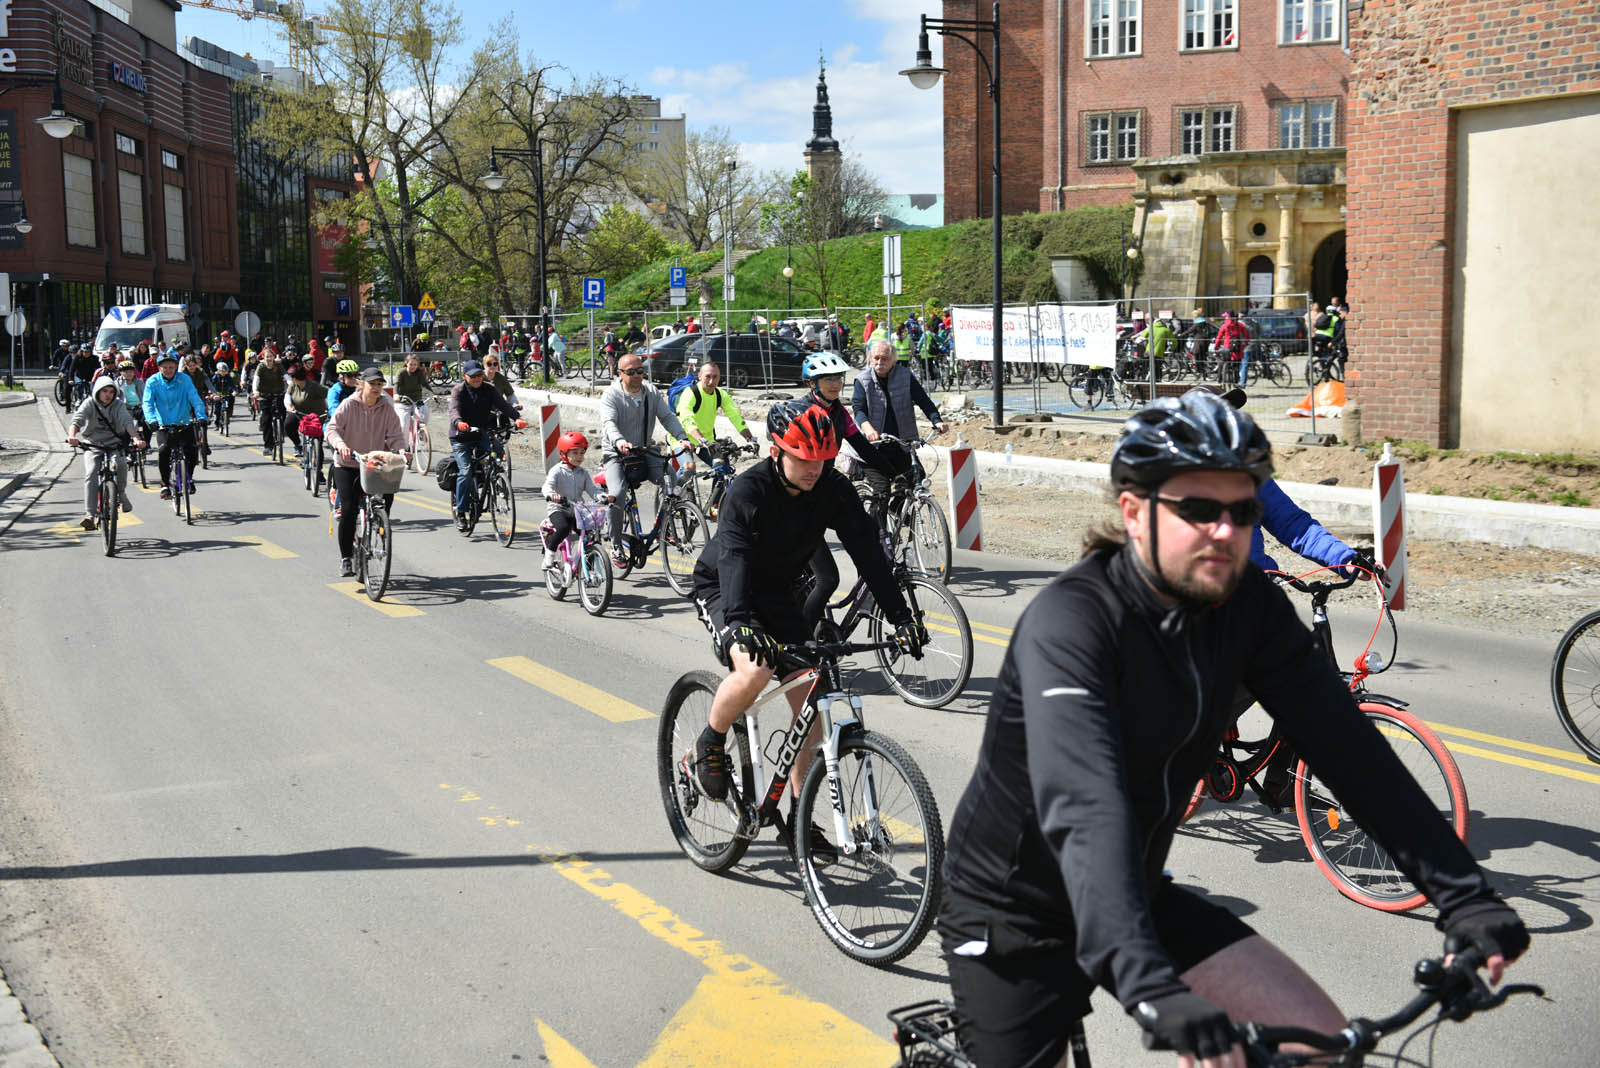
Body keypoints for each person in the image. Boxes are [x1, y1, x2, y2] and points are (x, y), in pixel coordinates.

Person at [936, 390, 1528, 1068]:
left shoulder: (1249, 606)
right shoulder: (1071, 625)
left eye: (1243, 510)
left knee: (1320, 1049)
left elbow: (1348, 748)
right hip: (1018, 914)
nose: (1225, 529)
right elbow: (1085, 807)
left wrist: (1464, 893)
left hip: (1135, 892)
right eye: (1198, 509)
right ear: (1134, 512)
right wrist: (1148, 982)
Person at [685, 399, 925, 860]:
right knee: (754, 670)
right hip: (725, 587)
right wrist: (739, 626)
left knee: (811, 701)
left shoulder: (832, 488)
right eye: (804, 459)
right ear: (777, 451)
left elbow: (870, 556)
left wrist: (902, 618)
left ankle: (798, 819)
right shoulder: (748, 490)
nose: (815, 468)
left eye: (823, 459)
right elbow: (733, 557)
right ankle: (710, 741)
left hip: (778, 591)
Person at [797, 351, 908, 628]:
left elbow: (864, 449)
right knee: (827, 580)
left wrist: (896, 474)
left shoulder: (839, 412)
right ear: (812, 383)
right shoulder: (799, 412)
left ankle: (894, 614)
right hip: (798, 500)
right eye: (827, 379)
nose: (836, 384)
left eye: (839, 378)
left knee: (868, 540)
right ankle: (798, 643)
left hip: (826, 488)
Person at [600, 353, 691, 564]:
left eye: (640, 371)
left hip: (643, 450)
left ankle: (666, 525)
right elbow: (609, 424)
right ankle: (614, 544)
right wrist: (620, 442)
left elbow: (667, 417)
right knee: (618, 493)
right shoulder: (611, 395)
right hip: (616, 453)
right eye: (631, 372)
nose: (637, 375)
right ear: (619, 373)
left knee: (670, 478)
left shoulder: (650, 391)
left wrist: (682, 437)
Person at [848, 338, 949, 524]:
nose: (880, 363)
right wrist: (867, 427)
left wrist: (937, 420)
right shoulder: (863, 380)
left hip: (901, 443)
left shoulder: (905, 376)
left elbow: (923, 400)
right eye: (876, 358)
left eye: (884, 358)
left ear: (893, 360)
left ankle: (897, 507)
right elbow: (859, 409)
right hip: (872, 448)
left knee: (916, 477)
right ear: (870, 358)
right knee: (882, 491)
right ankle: (874, 536)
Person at [325, 367, 409, 577]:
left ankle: (379, 525)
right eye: (373, 384)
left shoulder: (386, 407)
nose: (377, 388)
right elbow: (332, 429)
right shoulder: (349, 404)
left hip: (375, 462)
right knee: (349, 509)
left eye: (380, 385)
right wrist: (341, 445)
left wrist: (400, 450)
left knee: (386, 498)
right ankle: (346, 557)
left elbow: (396, 434)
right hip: (348, 463)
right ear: (362, 384)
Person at [447, 360, 525, 533]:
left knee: (498, 450)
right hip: (461, 437)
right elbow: (453, 410)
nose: (476, 379)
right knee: (466, 471)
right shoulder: (458, 391)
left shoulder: (489, 389)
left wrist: (516, 418)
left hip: (480, 432)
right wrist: (459, 422)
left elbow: (503, 405)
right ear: (464, 376)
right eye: (472, 376)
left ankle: (493, 478)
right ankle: (461, 511)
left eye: (479, 375)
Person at [68, 374, 145, 528]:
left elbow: (127, 421)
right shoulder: (90, 403)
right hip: (93, 443)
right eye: (105, 391)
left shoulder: (118, 404)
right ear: (97, 391)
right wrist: (72, 436)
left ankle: (121, 494)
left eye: (111, 391)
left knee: (121, 464)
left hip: (114, 442)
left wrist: (136, 438)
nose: (108, 395)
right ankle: (90, 515)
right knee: (91, 472)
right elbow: (77, 420)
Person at [142, 350, 208, 500]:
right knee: (164, 450)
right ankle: (165, 483)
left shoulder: (184, 380)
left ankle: (188, 478)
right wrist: (151, 420)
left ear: (175, 367)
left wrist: (201, 416)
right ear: (159, 368)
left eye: (171, 367)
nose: (168, 370)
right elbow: (147, 403)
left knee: (192, 451)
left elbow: (194, 398)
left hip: (183, 422)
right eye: (165, 367)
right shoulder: (153, 382)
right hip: (163, 424)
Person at [540, 431, 602, 571]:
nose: (580, 457)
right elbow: (547, 486)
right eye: (575, 453)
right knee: (563, 528)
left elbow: (592, 490)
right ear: (563, 454)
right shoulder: (556, 471)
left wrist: (602, 496)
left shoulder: (583, 473)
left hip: (577, 510)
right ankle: (549, 554)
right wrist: (551, 494)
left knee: (590, 534)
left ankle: (587, 568)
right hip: (558, 509)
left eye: (582, 452)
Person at [674, 360, 756, 462]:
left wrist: (750, 439)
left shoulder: (720, 394)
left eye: (715, 377)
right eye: (707, 376)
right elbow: (686, 419)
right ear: (699, 376)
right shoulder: (690, 393)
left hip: (708, 441)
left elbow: (735, 416)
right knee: (688, 470)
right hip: (683, 439)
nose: (711, 381)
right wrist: (702, 440)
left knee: (722, 468)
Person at [284, 359, 329, 461]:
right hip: (299, 413)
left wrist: (331, 410)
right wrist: (289, 406)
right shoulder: (293, 385)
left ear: (296, 377)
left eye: (291, 376)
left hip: (316, 417)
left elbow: (329, 395)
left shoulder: (314, 387)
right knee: (288, 425)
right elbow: (287, 396)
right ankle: (298, 445)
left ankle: (318, 471)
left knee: (318, 442)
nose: (290, 379)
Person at [252, 349, 288, 449]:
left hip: (278, 393)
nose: (269, 358)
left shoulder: (278, 365)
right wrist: (255, 391)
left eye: (270, 356)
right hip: (264, 395)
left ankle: (282, 430)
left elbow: (287, 377)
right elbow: (256, 379)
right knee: (266, 420)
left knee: (283, 411)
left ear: (273, 357)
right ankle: (268, 446)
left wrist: (292, 388)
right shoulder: (261, 366)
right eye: (266, 357)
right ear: (263, 357)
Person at [482, 353, 524, 432]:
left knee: (505, 426)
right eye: (489, 364)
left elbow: (510, 394)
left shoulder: (501, 378)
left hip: (499, 408)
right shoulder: (479, 377)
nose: (492, 366)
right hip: (483, 410)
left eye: (495, 364)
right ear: (484, 365)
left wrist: (515, 404)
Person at [395, 352, 429, 447]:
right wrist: (396, 395)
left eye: (415, 364)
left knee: (425, 412)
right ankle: (404, 447)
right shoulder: (401, 372)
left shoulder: (419, 372)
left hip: (416, 400)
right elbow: (396, 384)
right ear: (406, 363)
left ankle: (421, 431)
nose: (413, 367)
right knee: (403, 426)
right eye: (411, 364)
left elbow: (425, 384)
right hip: (403, 401)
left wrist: (434, 394)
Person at [1212, 310, 1251, 386]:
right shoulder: (1239, 325)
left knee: (1222, 362)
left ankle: (1220, 379)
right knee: (1236, 364)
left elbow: (1219, 337)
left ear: (1228, 317)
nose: (1225, 318)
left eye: (1226, 316)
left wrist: (1216, 347)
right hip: (1237, 349)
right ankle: (1236, 379)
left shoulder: (1225, 325)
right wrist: (1245, 344)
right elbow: (1247, 335)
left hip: (1227, 349)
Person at [210, 360, 239, 427]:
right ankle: (217, 422)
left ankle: (228, 415)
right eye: (222, 371)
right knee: (217, 409)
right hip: (217, 394)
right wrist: (212, 393)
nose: (224, 373)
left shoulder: (228, 377)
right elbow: (211, 386)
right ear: (218, 370)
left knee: (230, 401)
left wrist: (234, 391)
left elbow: (232, 385)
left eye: (225, 371)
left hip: (226, 393)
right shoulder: (215, 377)